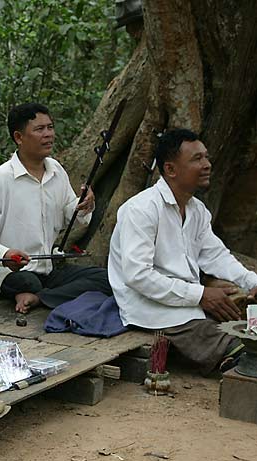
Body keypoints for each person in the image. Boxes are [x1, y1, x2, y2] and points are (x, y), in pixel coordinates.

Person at [109, 128, 256, 374]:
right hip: (151, 306)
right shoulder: (141, 210)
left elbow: (216, 256)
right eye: (197, 159)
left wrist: (251, 281)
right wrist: (200, 295)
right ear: (170, 169)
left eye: (206, 157)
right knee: (229, 342)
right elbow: (138, 276)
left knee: (244, 321)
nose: (207, 164)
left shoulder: (196, 210)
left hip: (188, 297)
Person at [0, 102, 111, 313]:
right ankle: (38, 294)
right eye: (39, 129)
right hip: (11, 273)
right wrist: (5, 254)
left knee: (106, 279)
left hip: (47, 269)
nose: (48, 134)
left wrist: (85, 204)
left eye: (50, 127)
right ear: (19, 137)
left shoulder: (56, 170)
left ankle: (39, 298)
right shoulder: (0, 179)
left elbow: (70, 212)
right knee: (28, 281)